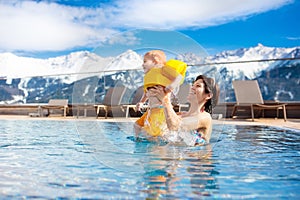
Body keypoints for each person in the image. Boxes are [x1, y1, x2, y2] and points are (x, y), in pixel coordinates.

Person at [148, 75, 219, 145]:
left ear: (208, 95)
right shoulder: (180, 115)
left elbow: (175, 127)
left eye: (198, 86)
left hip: (196, 155)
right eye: (193, 85)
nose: (192, 88)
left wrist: (165, 100)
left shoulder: (205, 117)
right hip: (176, 153)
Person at [134, 50, 187, 137]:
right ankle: (138, 142)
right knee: (137, 126)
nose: (142, 64)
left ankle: (160, 147)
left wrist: (169, 88)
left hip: (160, 110)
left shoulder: (163, 70)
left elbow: (178, 78)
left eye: (145, 61)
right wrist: (142, 102)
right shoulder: (149, 76)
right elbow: (146, 91)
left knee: (157, 134)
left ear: (155, 61)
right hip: (150, 110)